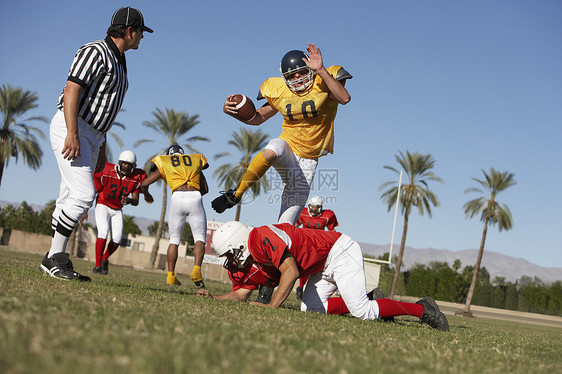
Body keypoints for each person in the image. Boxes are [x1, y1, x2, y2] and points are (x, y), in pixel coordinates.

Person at [39, 7, 153, 281]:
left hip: (93, 135)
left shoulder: (120, 60)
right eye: (140, 33)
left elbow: (104, 109)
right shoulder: (96, 52)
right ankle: (55, 258)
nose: (142, 38)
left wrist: (101, 146)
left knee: (68, 196)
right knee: (82, 195)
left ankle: (55, 258)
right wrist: (72, 132)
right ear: (129, 31)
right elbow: (72, 89)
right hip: (74, 125)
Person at [209, 221, 450, 331]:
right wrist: (211, 298)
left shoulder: (259, 238)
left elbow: (291, 271)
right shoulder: (256, 254)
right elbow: (240, 294)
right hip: (322, 263)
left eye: (229, 255)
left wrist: (271, 308)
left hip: (339, 251)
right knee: (311, 310)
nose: (229, 261)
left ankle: (424, 310)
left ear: (238, 244)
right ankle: (373, 299)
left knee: (362, 312)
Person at [211, 43, 352, 226]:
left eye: (301, 72)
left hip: (308, 161)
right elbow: (257, 118)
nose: (298, 77)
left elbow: (344, 98)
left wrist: (321, 70)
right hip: (288, 146)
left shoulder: (323, 82)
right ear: (284, 78)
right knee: (272, 150)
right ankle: (235, 195)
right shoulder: (279, 91)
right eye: (292, 75)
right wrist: (233, 113)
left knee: (285, 225)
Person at [140, 145, 208, 288]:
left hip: (177, 197)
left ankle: (171, 276)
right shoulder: (195, 159)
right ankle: (196, 271)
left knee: (174, 239)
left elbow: (144, 183)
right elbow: (206, 189)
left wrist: (146, 194)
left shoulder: (166, 161)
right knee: (200, 237)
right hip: (195, 197)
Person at [92, 150, 147, 275]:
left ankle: (105, 259)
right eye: (124, 164)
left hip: (117, 209)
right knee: (103, 233)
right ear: (119, 163)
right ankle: (97, 266)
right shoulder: (106, 169)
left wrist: (130, 200)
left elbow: (136, 201)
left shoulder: (136, 177)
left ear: (133, 166)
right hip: (103, 204)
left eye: (129, 165)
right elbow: (95, 176)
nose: (126, 167)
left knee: (117, 240)